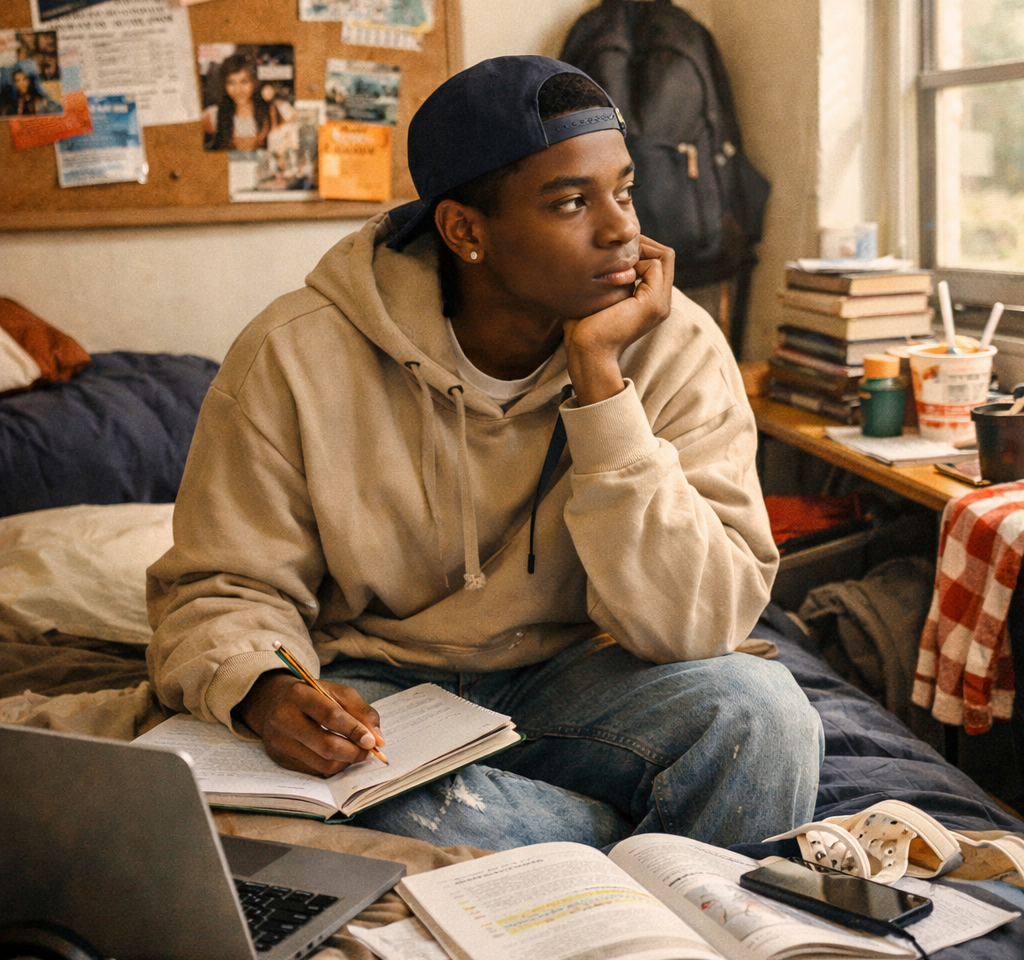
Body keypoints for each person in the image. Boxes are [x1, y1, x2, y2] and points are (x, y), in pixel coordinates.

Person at [148, 56, 823, 851]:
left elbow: (696, 626)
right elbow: (224, 584)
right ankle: (629, 853)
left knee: (767, 718)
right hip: (377, 688)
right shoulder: (292, 354)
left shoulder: (674, 345)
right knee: (328, 797)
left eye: (625, 190)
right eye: (572, 202)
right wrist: (267, 690)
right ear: (466, 231)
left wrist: (601, 385)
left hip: (577, 672)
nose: (622, 230)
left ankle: (562, 853)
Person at [203, 53, 295, 151]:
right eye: (231, 82)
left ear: (254, 82)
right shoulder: (213, 115)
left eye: (244, 82)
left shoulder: (274, 109)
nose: (238, 90)